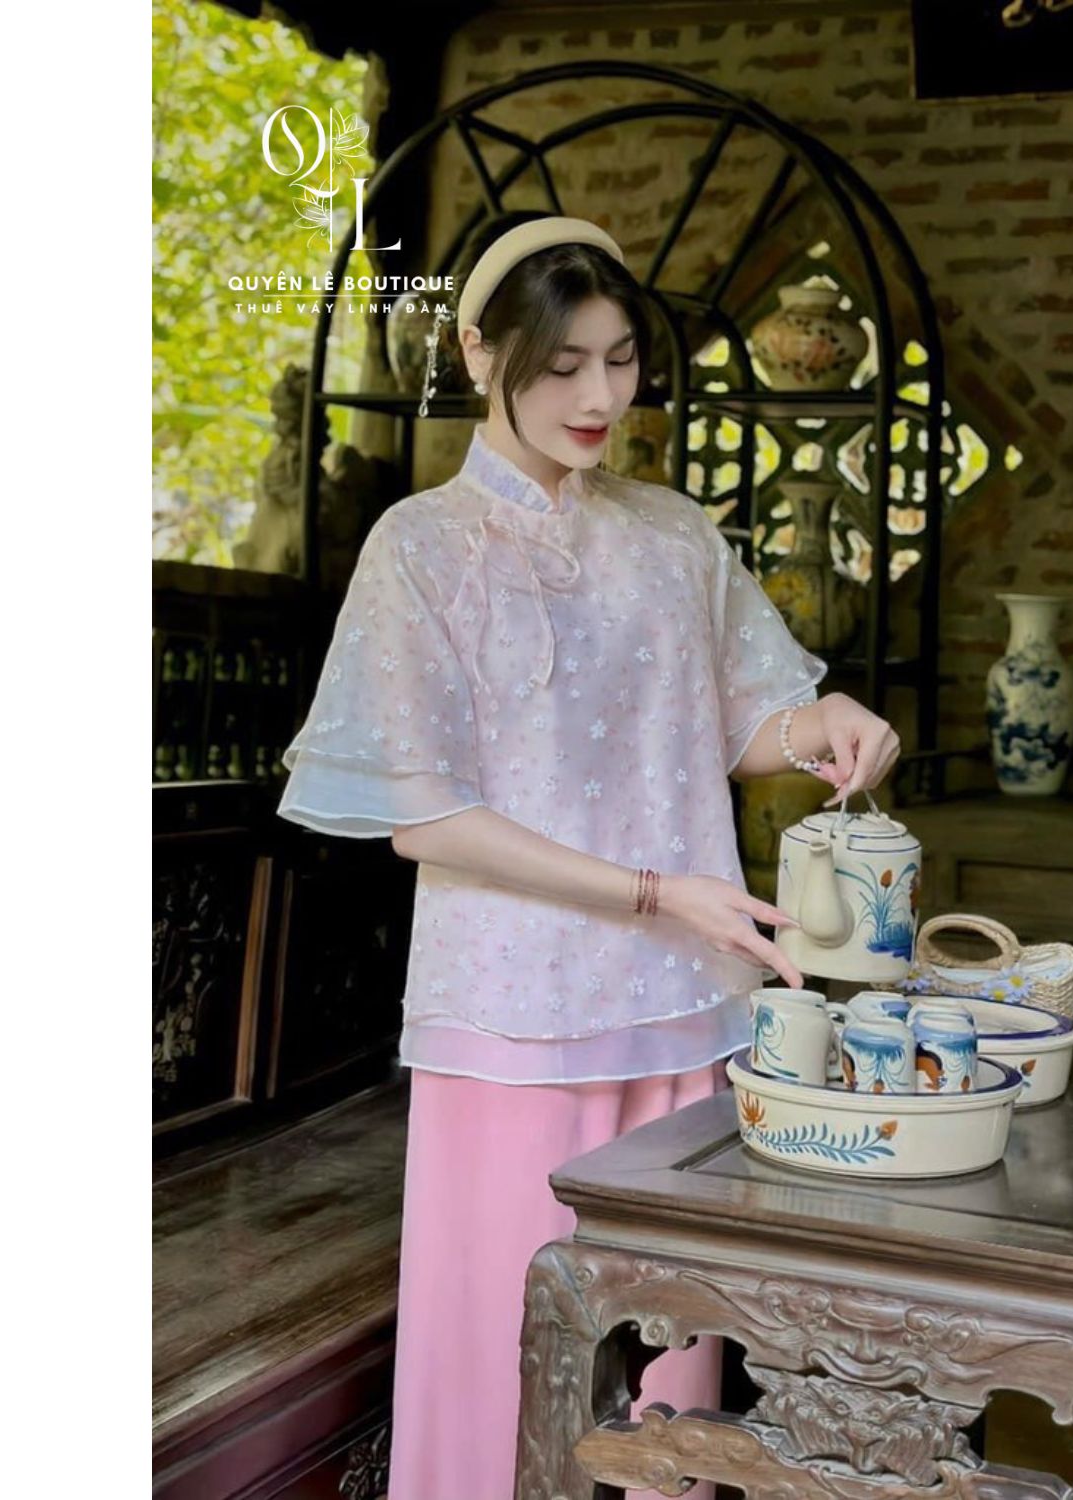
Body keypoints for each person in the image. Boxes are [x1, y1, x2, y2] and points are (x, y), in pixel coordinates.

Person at [277, 211, 901, 1500]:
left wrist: (821, 722)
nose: (600, 397)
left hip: (681, 1012)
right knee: (507, 1367)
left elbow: (736, 726)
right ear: (478, 351)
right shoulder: (421, 547)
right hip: (510, 1018)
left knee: (666, 1398)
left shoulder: (671, 534)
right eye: (563, 366)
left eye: (620, 361)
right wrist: (657, 893)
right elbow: (423, 816)